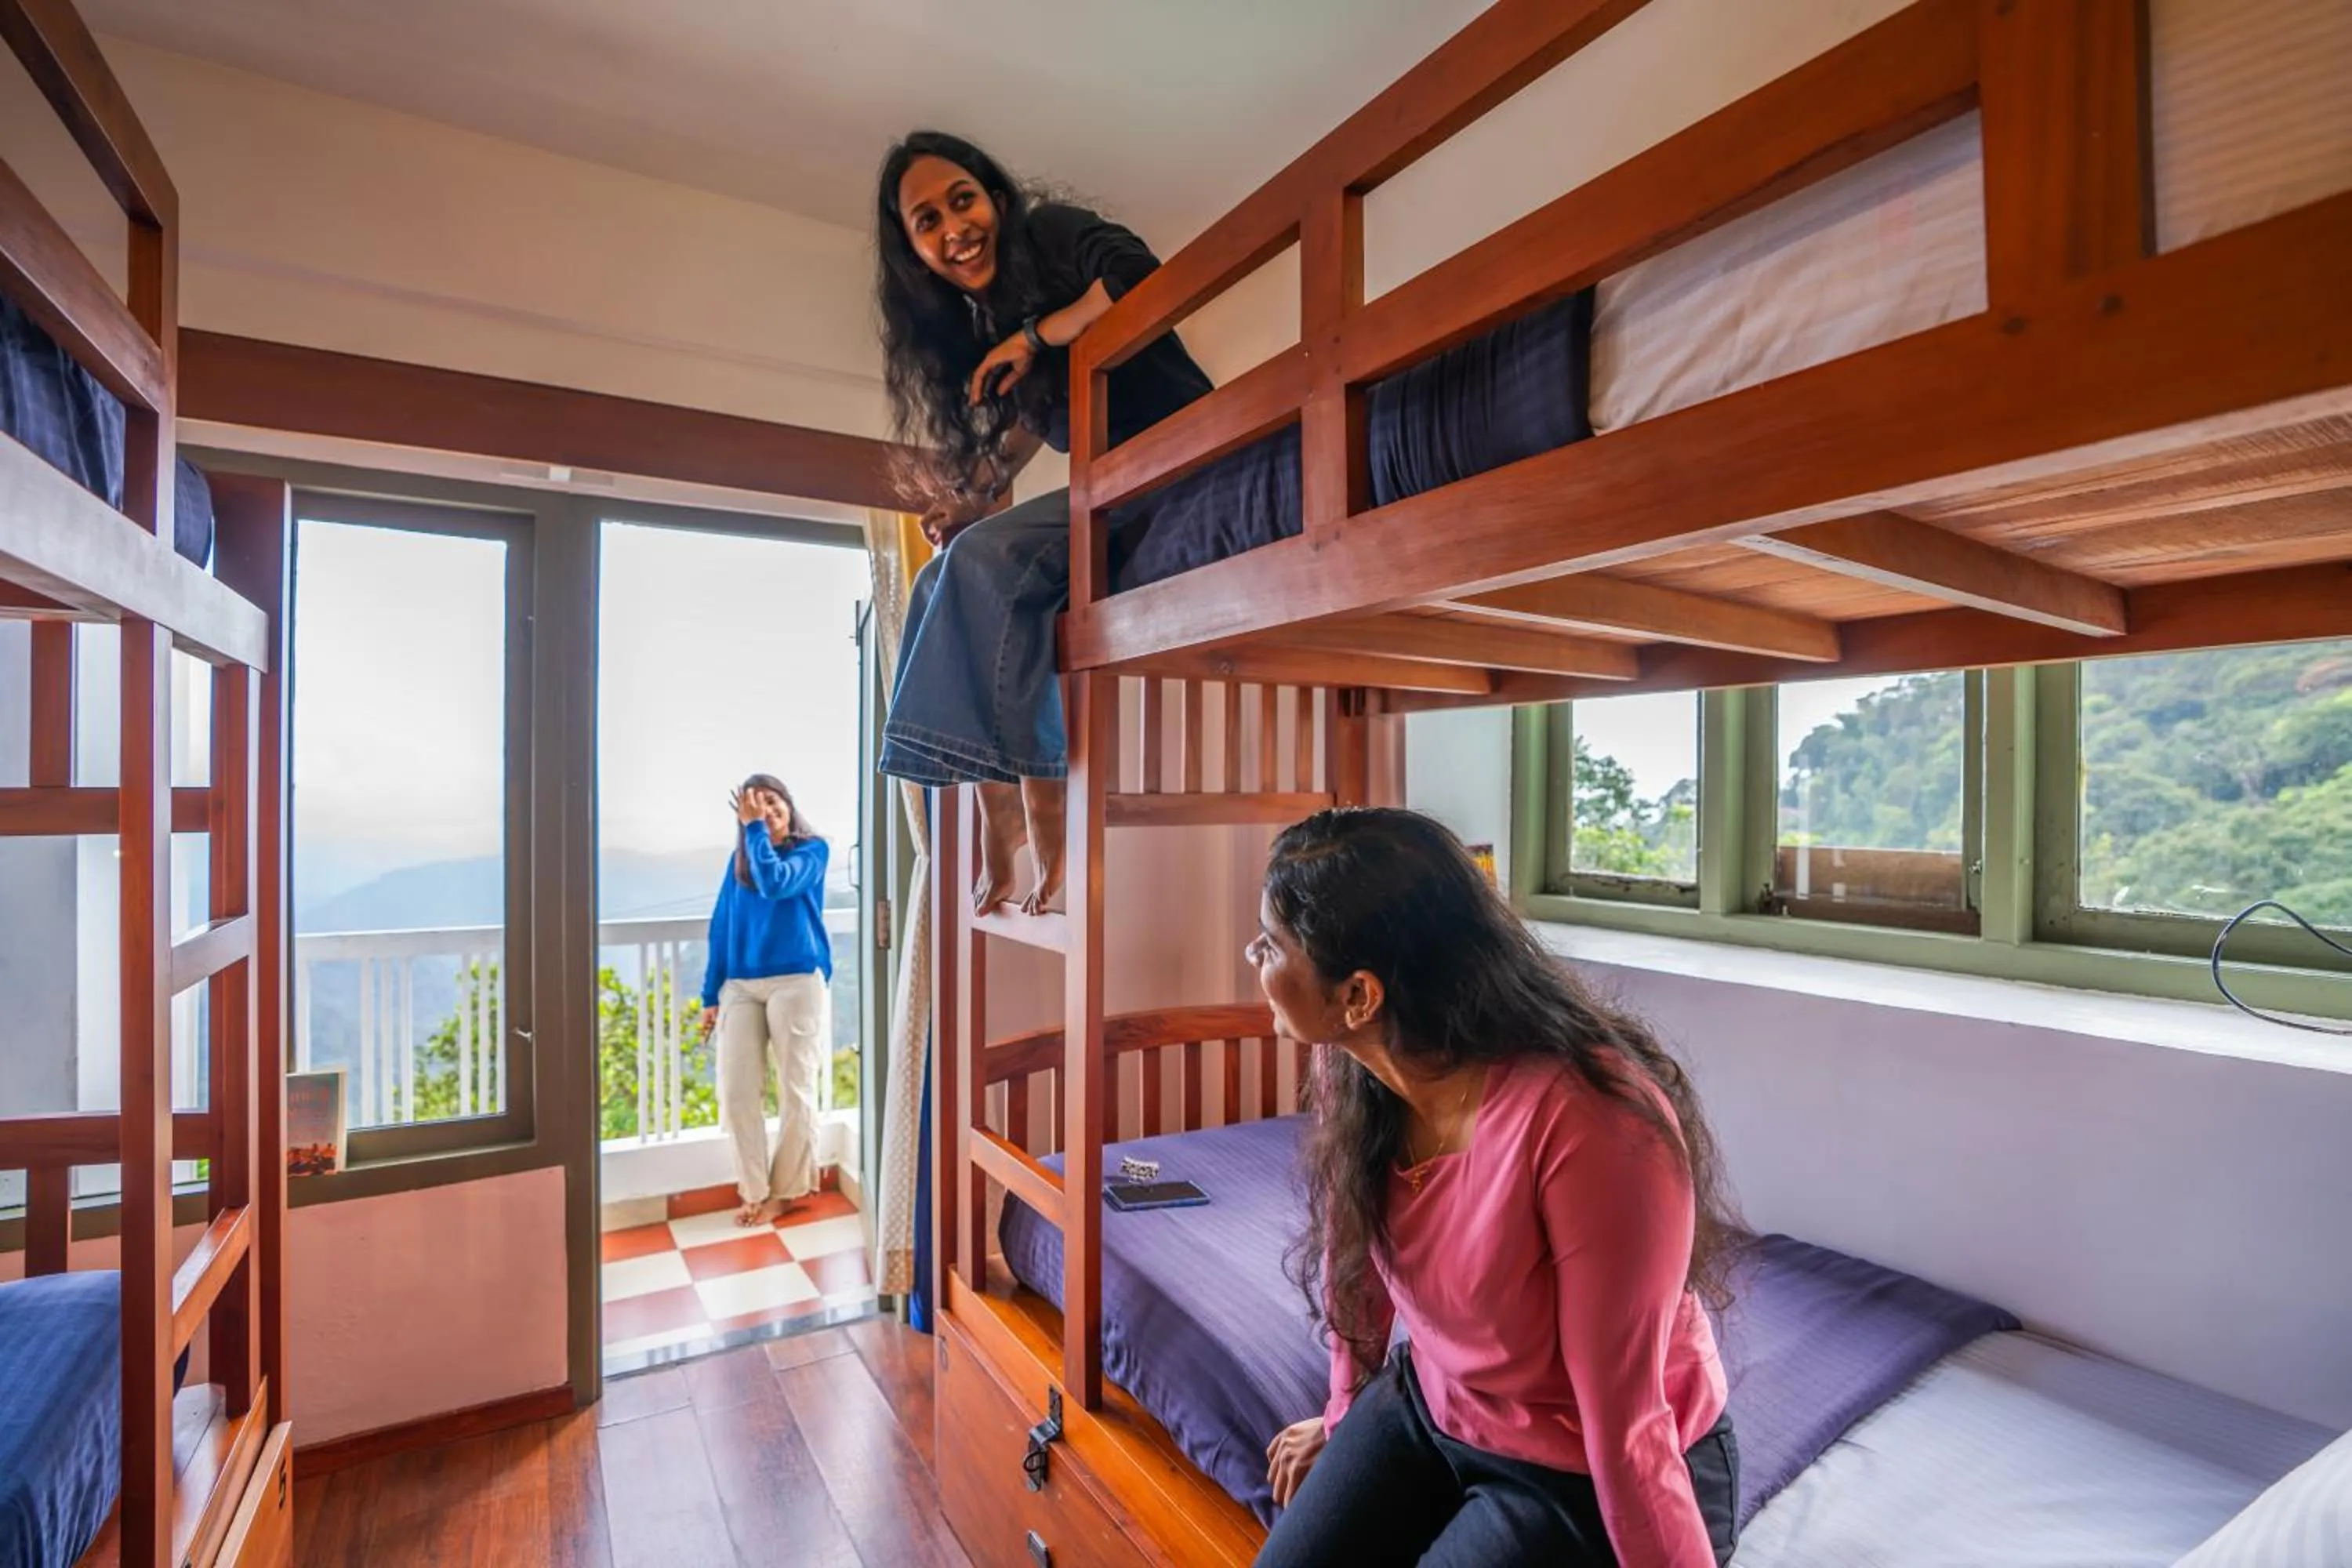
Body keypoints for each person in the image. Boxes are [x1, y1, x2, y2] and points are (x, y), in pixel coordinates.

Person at [1247, 809, 1742, 1568]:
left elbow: (1628, 1425)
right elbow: (1353, 1262)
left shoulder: (1594, 1122)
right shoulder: (1352, 1057)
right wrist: (1344, 1418)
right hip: (1438, 1400)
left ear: (1359, 994)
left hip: (1576, 1459)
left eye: (1269, 944)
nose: (1253, 959)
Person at [873, 129, 1214, 916]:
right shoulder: (982, 321)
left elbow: (1139, 278)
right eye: (927, 220)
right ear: (914, 249)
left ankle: (1044, 804)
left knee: (987, 565)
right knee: (939, 578)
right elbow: (1034, 418)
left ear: (994, 197)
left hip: (1186, 459)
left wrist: (1034, 336)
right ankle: (998, 799)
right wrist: (978, 493)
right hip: (1111, 482)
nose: (953, 227)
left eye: (962, 199)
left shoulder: (1053, 237)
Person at [698, 774, 832, 1226]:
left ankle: (788, 1191)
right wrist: (709, 996)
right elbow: (721, 928)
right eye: (758, 808)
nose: (769, 814)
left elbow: (777, 883)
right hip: (741, 984)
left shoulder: (813, 851)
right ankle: (753, 1189)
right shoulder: (740, 863)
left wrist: (754, 829)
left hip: (797, 980)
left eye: (774, 803)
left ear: (789, 806)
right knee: (736, 1091)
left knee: (795, 1090)